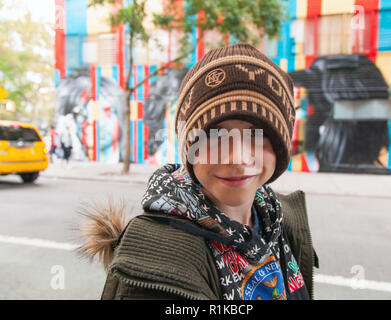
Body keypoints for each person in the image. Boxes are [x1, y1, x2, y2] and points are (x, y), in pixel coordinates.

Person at [79, 43, 318, 300]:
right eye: (214, 136)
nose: (237, 158)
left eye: (254, 134)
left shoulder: (280, 219)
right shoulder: (154, 266)